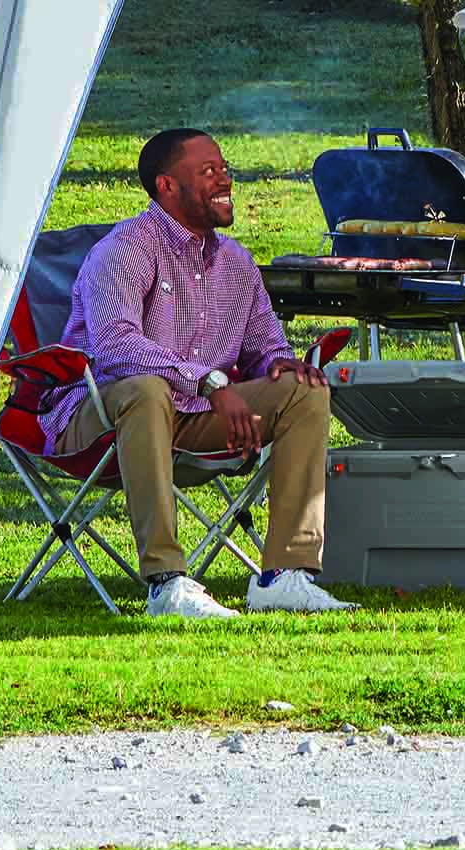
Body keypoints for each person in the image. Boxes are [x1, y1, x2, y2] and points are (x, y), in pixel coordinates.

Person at [43, 127, 351, 620]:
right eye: (208, 171)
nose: (224, 180)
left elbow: (264, 347)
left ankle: (285, 576)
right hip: (99, 419)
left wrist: (279, 363)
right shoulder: (126, 249)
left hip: (194, 418)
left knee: (303, 391)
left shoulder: (237, 263)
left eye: (224, 169)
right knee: (147, 390)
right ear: (167, 186)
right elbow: (113, 346)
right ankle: (167, 583)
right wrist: (209, 381)